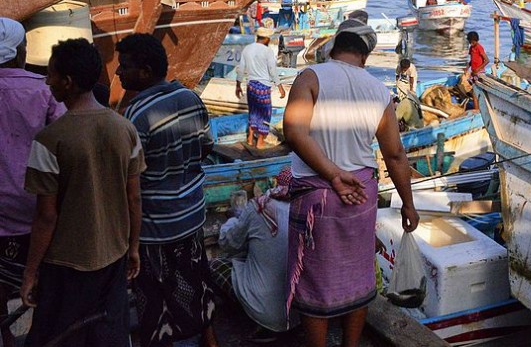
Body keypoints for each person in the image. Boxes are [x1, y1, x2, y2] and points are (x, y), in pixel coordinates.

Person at [283, 19, 419, 347]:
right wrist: (408, 205)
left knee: (315, 278)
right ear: (365, 56)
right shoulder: (378, 90)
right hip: (362, 193)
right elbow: (396, 155)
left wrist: (331, 174)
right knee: (358, 274)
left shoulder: (310, 76)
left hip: (319, 195)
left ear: (333, 47)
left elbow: (293, 131)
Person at [22, 38, 144, 347]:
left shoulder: (49, 139)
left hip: (66, 264)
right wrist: (133, 247)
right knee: (107, 335)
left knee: (61, 337)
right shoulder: (124, 128)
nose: (47, 82)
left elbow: (46, 216)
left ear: (68, 82)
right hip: (113, 255)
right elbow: (134, 198)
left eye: (51, 75)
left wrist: (30, 272)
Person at [115, 33, 218, 347]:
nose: (118, 73)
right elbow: (204, 148)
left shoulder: (136, 115)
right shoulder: (190, 98)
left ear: (145, 72)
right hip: (191, 215)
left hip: (155, 226)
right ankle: (209, 339)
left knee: (154, 296)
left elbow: (130, 182)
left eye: (125, 67)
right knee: (196, 281)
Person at [0, 19, 65, 347]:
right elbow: (67, 141)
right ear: (19, 52)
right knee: (41, 280)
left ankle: (6, 334)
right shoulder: (44, 90)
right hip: (36, 208)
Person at [209, 170, 296, 342]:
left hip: (266, 312)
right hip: (302, 314)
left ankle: (254, 319)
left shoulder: (259, 207)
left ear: (277, 185)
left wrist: (234, 219)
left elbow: (228, 242)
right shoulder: (309, 211)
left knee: (213, 265)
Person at [236, 28, 286, 149]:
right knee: (264, 113)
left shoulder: (247, 49)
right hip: (263, 86)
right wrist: (280, 87)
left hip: (251, 85)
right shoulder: (267, 51)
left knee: (253, 111)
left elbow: (241, 68)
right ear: (267, 39)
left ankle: (250, 138)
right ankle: (260, 142)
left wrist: (238, 85)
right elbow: (273, 71)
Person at [466, 31, 489, 110]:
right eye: (470, 42)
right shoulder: (471, 48)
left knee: (475, 92)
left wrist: (478, 69)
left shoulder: (479, 47)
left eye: (472, 42)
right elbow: (472, 60)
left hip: (479, 72)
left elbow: (487, 60)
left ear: (476, 40)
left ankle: (477, 110)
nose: (471, 43)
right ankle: (477, 108)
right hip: (474, 72)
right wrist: (467, 67)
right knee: (474, 91)